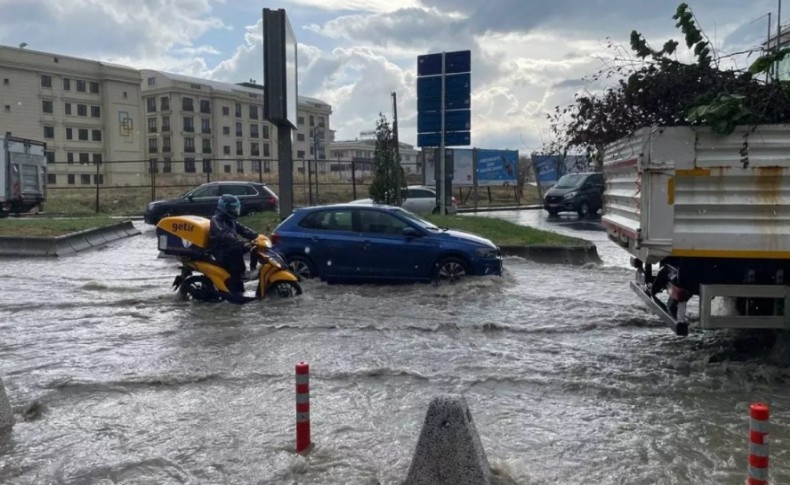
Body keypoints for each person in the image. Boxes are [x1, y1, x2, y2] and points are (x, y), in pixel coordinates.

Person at [208, 194, 259, 295]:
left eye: (236, 208)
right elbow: (225, 235)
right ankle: (241, 273)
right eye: (233, 208)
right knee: (236, 250)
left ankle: (252, 269)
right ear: (225, 208)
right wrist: (242, 244)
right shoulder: (216, 220)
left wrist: (256, 236)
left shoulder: (230, 220)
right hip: (221, 251)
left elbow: (243, 229)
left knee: (255, 246)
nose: (235, 210)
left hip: (230, 247)